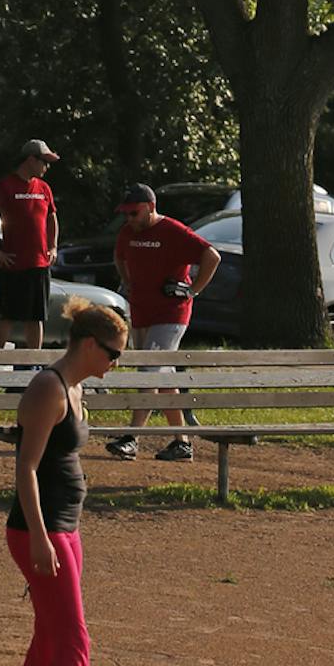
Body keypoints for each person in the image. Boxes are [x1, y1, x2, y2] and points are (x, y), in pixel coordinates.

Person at [3, 296, 129, 666]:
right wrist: (39, 535)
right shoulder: (47, 387)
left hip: (64, 528)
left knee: (52, 637)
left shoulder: (74, 389)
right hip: (40, 530)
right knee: (74, 638)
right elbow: (26, 469)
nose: (114, 364)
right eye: (112, 353)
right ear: (86, 344)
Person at [105, 184, 220, 463]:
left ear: (150, 207)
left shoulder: (172, 231)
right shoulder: (127, 233)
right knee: (163, 376)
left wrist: (193, 291)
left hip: (171, 312)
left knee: (149, 370)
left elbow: (212, 256)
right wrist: (128, 281)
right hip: (142, 311)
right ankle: (181, 442)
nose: (129, 218)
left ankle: (132, 438)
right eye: (126, 213)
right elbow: (118, 257)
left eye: (134, 212)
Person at [0, 137, 60, 350]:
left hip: (39, 264)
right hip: (12, 264)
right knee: (7, 316)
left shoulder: (44, 188)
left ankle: (34, 365)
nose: (47, 167)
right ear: (31, 159)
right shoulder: (5, 186)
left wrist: (53, 247)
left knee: (36, 317)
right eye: (44, 161)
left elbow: (52, 218)